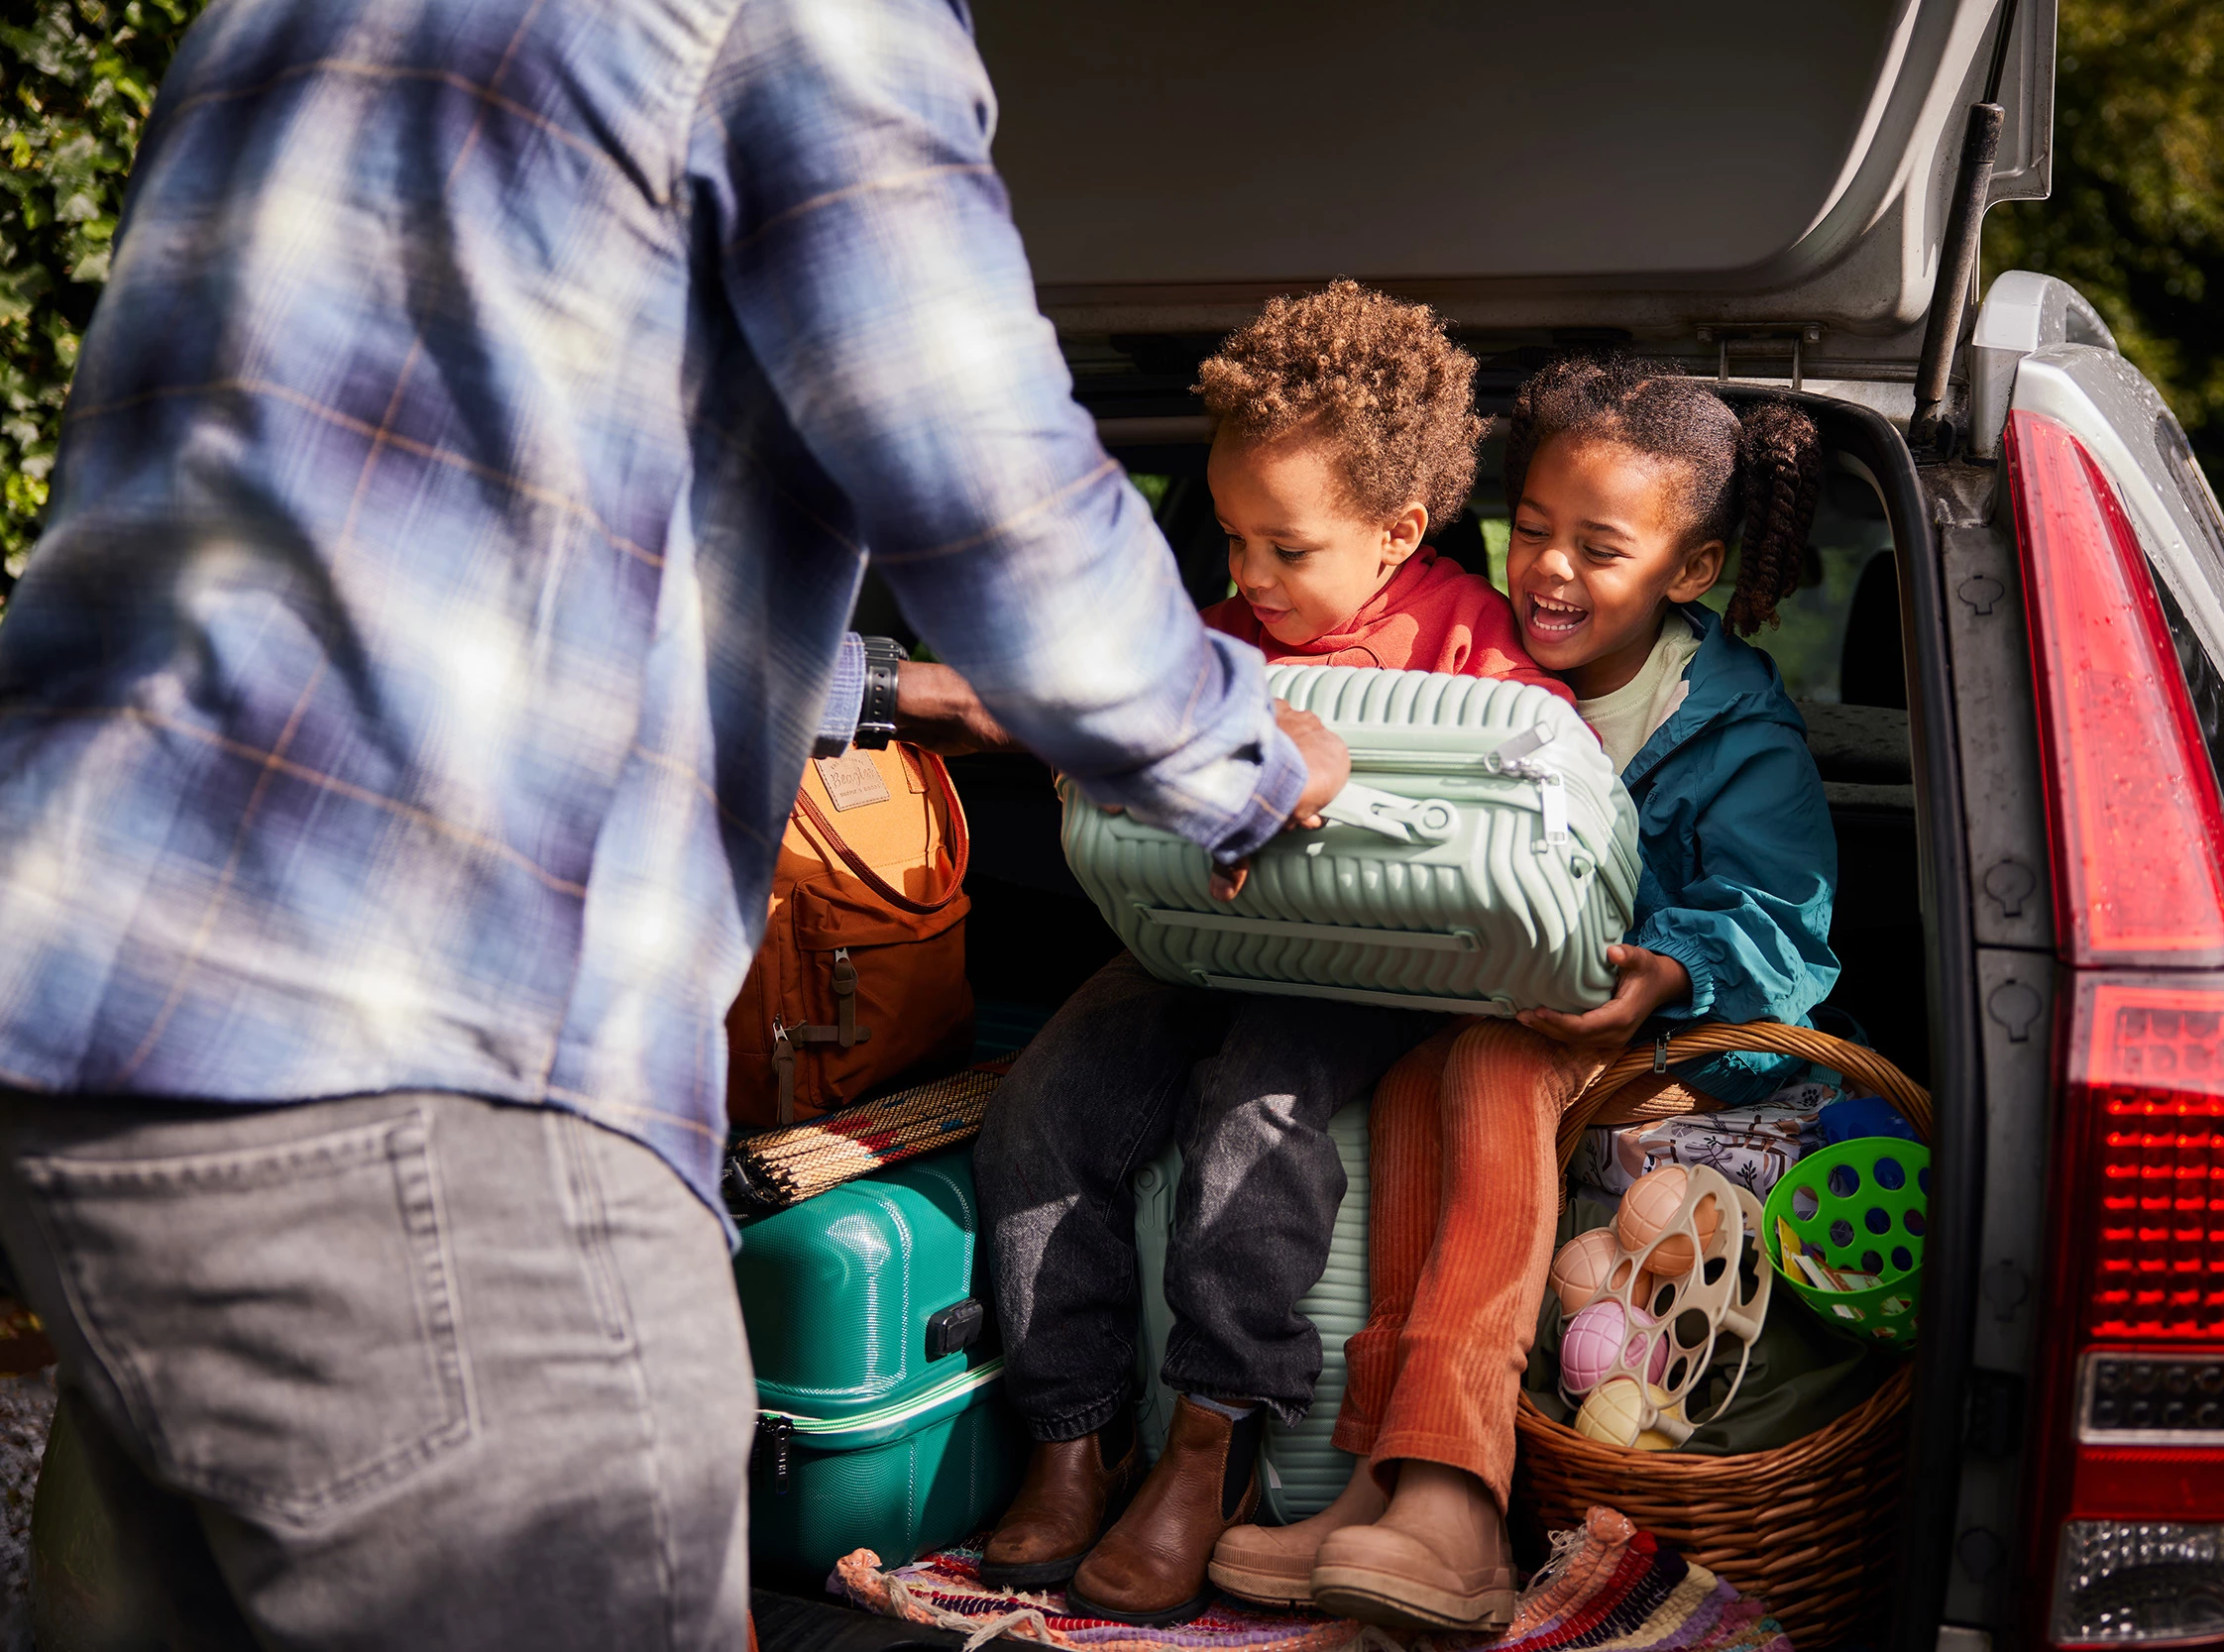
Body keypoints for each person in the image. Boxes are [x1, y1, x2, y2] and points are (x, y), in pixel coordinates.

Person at [0, 2, 1347, 1647]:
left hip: (88, 1017)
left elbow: (455, 517)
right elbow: (987, 480)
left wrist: (893, 691)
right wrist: (1238, 751)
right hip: (433, 1072)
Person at [1209, 362, 1841, 1630]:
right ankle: (1378, 1482)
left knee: (1491, 1068)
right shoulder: (1478, 682)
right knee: (1416, 1075)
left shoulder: (1731, 727)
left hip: (1692, 1038)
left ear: (1691, 567)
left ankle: (1456, 1498)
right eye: (1530, 531)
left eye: (1598, 548)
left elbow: (1787, 927)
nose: (1548, 569)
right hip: (1516, 1011)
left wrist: (1665, 969)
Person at [974, 281, 1568, 1626]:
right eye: (1232, 538)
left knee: (1256, 1115)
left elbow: (1521, 802)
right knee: (1044, 1107)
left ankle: (1208, 1448)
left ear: (1398, 532)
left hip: (1370, 967)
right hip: (1203, 940)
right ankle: (1074, 1432)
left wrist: (1325, 769)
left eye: (1284, 547)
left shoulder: (1473, 642)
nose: (1245, 576)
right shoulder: (1223, 637)